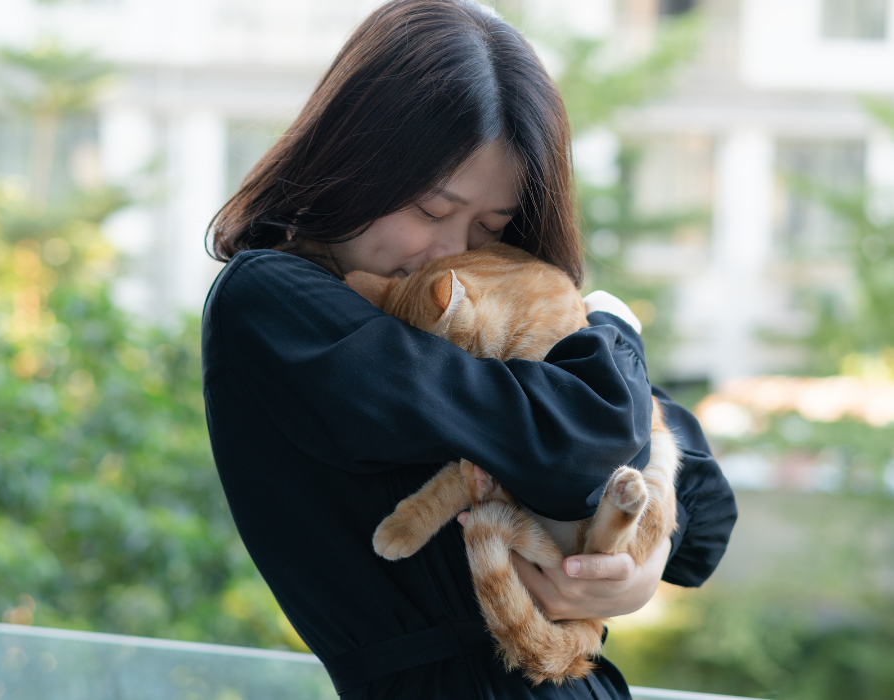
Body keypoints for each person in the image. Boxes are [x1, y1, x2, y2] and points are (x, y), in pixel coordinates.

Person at [201, 1, 737, 698]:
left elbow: (706, 520)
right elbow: (583, 445)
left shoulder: (474, 312)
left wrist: (641, 561)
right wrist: (615, 328)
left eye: (490, 225)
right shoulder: (273, 304)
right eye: (430, 209)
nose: (451, 252)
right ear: (355, 155)